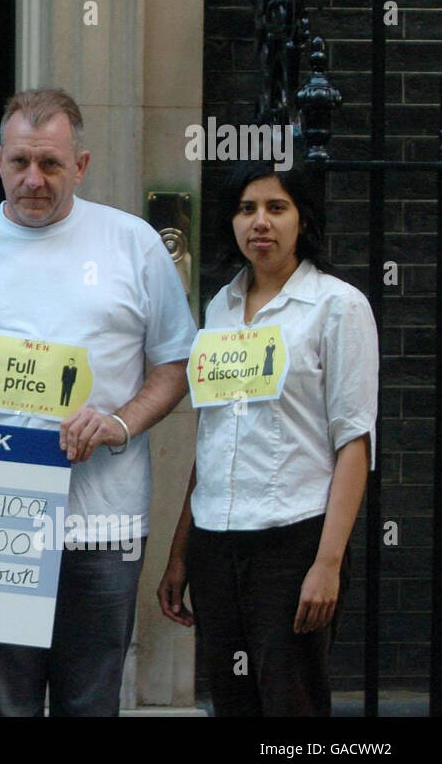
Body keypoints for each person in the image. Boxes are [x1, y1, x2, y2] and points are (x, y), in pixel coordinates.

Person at [0, 88, 196, 716]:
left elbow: (175, 366)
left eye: (52, 164)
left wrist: (120, 423)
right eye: (20, 163)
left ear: (82, 165)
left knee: (90, 702)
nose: (34, 180)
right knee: (1, 703)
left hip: (105, 520)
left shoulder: (134, 244)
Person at [157, 164, 376, 716]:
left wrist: (328, 562)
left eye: (277, 208)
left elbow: (354, 441)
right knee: (232, 702)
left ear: (303, 220)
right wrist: (181, 552)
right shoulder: (219, 309)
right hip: (215, 542)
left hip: (293, 541)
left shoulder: (337, 306)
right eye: (246, 209)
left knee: (291, 706)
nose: (261, 222)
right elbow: (213, 436)